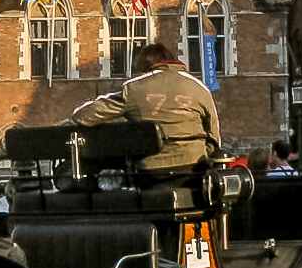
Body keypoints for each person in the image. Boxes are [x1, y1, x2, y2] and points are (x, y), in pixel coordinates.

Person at [72, 41, 222, 171]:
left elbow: (83, 116)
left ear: (145, 65)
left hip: (151, 169)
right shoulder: (200, 88)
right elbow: (214, 136)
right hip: (193, 166)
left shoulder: (134, 88)